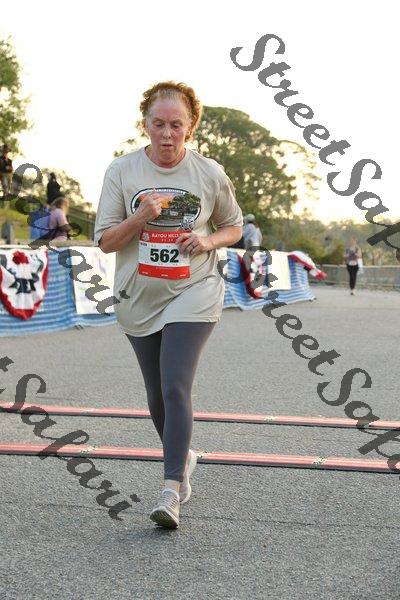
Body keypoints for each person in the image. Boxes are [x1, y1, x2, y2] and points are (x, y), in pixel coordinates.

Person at [94, 81, 243, 529]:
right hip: (139, 296)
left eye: (176, 125)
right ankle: (185, 456)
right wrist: (141, 216)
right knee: (157, 395)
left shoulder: (209, 173)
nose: (166, 134)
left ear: (190, 127)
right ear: (145, 124)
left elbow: (233, 226)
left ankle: (170, 489)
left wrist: (207, 241)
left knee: (176, 385)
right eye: (158, 124)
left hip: (194, 289)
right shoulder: (122, 171)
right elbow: (105, 241)